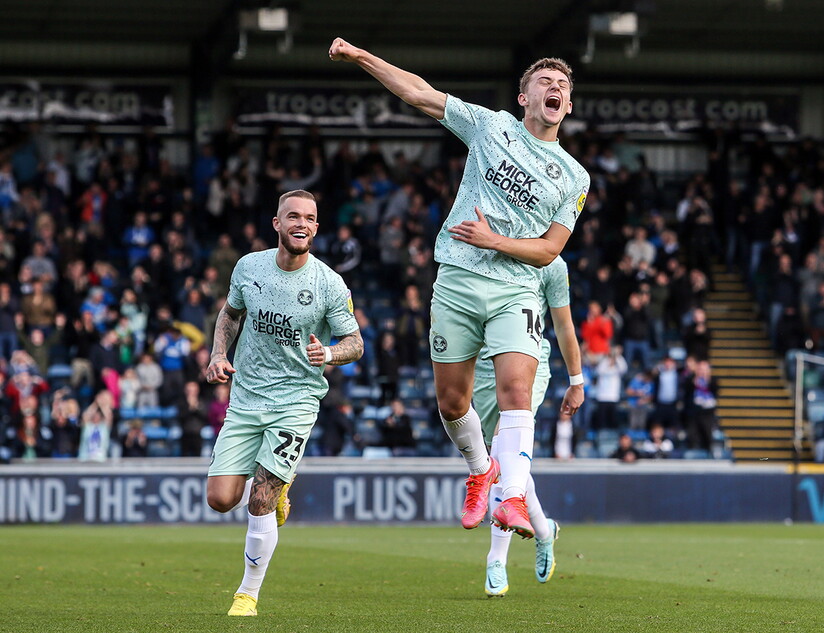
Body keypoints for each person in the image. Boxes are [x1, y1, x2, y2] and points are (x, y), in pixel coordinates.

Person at [330, 38, 589, 536]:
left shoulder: (575, 177)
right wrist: (361, 56)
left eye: (562, 85)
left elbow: (550, 250)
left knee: (517, 391)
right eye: (544, 82)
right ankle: (480, 470)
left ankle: (511, 497)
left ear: (568, 105)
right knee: (451, 402)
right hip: (457, 278)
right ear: (525, 98)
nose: (554, 88)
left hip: (515, 288)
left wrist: (495, 240)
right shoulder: (491, 126)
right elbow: (419, 93)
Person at [204, 190, 363, 617]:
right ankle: (280, 486)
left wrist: (328, 353)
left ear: (316, 228)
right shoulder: (248, 267)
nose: (301, 224)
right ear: (277, 223)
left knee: (259, 499)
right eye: (293, 216)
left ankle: (247, 595)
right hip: (246, 397)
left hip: (295, 400)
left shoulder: (328, 283)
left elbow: (355, 342)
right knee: (220, 498)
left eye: (309, 218)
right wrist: (218, 353)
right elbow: (230, 314)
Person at [471, 256, 583, 597]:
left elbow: (563, 324)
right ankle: (544, 530)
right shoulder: (480, 250)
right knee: (506, 465)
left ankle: (496, 560)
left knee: (501, 458)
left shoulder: (552, 264)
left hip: (528, 365)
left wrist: (576, 380)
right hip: (484, 369)